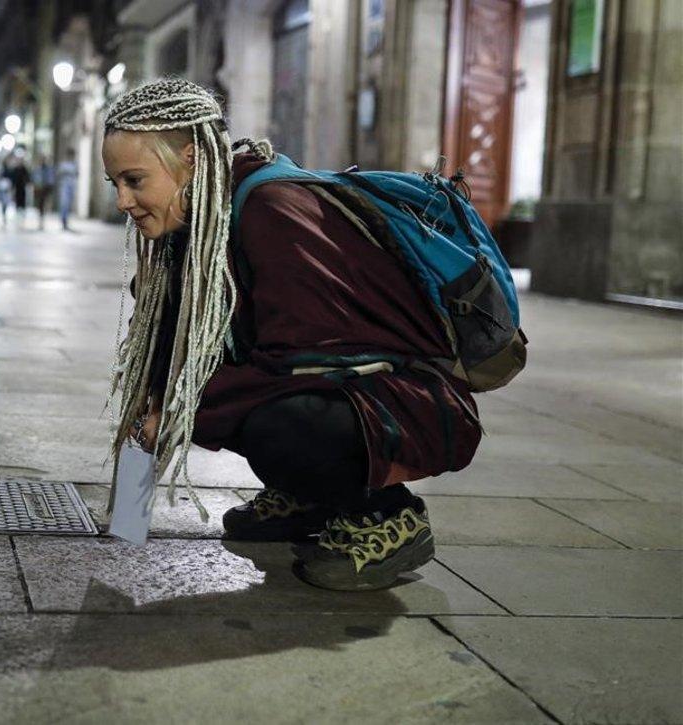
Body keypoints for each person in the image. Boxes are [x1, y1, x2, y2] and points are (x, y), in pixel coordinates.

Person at [101, 78, 482, 591]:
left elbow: (303, 364)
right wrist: (145, 447)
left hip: (400, 399)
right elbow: (171, 354)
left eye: (134, 180)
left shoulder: (271, 209)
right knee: (205, 396)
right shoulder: (191, 223)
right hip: (333, 390)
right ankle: (308, 495)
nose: (124, 200)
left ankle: (387, 517)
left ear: (188, 159)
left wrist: (181, 406)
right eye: (115, 184)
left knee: (276, 421)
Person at [3, 155, 32, 227]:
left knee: (23, 202)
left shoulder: (24, 169)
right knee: (17, 202)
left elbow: (28, 178)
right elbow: (13, 179)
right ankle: (18, 216)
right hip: (17, 189)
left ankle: (22, 216)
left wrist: (28, 184)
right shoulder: (15, 169)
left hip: (23, 189)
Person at [56, 150, 79, 231]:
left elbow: (77, 174)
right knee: (64, 204)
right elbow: (58, 174)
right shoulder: (63, 165)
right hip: (64, 187)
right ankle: (63, 221)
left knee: (68, 205)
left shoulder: (75, 164)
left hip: (71, 186)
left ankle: (66, 221)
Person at [32, 155, 55, 230]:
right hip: (39, 189)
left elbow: (51, 179)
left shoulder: (48, 169)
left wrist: (49, 187)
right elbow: (34, 178)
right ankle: (40, 217)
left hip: (45, 188)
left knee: (43, 203)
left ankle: (42, 217)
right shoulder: (37, 169)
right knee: (40, 204)